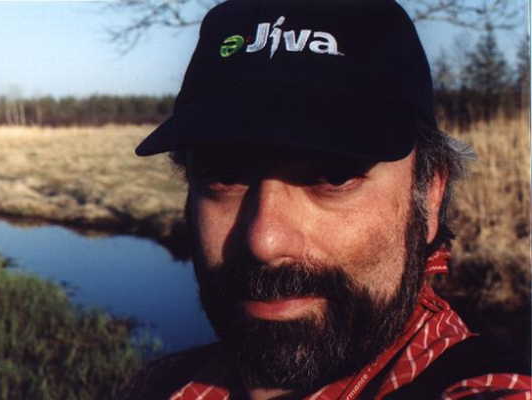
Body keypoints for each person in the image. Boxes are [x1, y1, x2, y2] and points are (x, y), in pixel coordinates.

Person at [127, 0, 531, 398]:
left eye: (335, 176)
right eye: (225, 176)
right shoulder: (162, 384)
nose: (264, 242)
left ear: (429, 196)